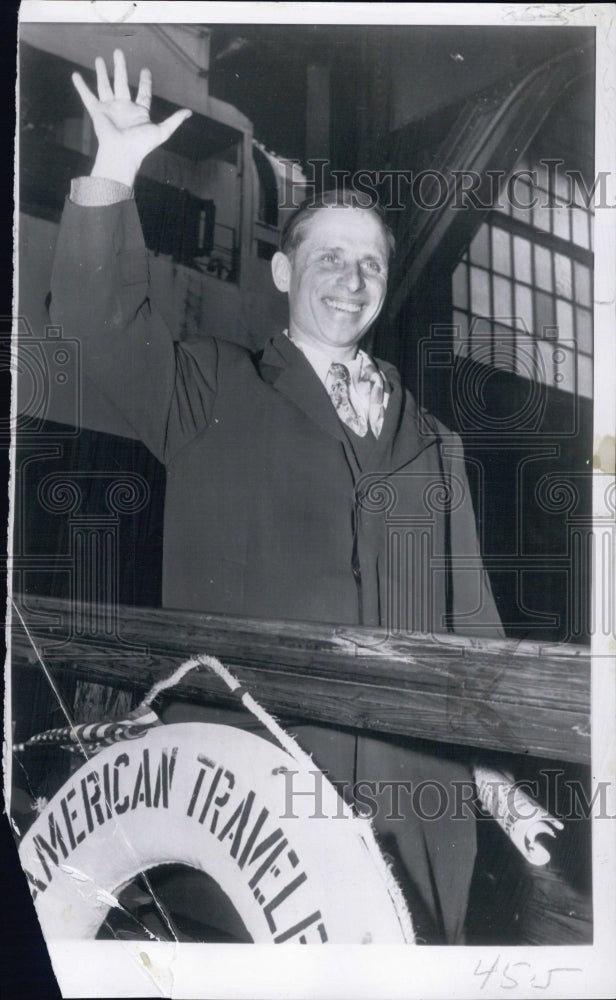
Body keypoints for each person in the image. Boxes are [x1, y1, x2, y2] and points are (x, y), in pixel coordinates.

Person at [48, 50, 504, 943]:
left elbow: (474, 632)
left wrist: (494, 775)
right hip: (249, 805)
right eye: (328, 258)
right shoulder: (211, 390)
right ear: (285, 276)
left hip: (417, 811)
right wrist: (114, 168)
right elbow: (94, 327)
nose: (352, 279)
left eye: (370, 264)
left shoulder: (436, 444)